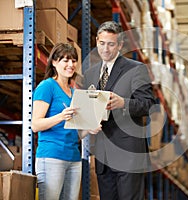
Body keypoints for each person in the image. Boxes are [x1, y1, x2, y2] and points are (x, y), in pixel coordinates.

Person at [83, 21, 155, 200]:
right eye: (102, 43)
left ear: (120, 45)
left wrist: (124, 103)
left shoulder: (136, 69)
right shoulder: (90, 74)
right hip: (103, 156)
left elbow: (148, 104)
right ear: (96, 41)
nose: (105, 49)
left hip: (128, 154)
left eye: (111, 44)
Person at [31, 43, 101, 200]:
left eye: (74, 61)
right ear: (54, 63)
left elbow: (74, 133)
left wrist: (88, 129)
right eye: (65, 60)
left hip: (74, 158)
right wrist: (61, 116)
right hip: (51, 156)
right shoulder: (47, 86)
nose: (71, 65)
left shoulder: (76, 93)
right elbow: (35, 125)